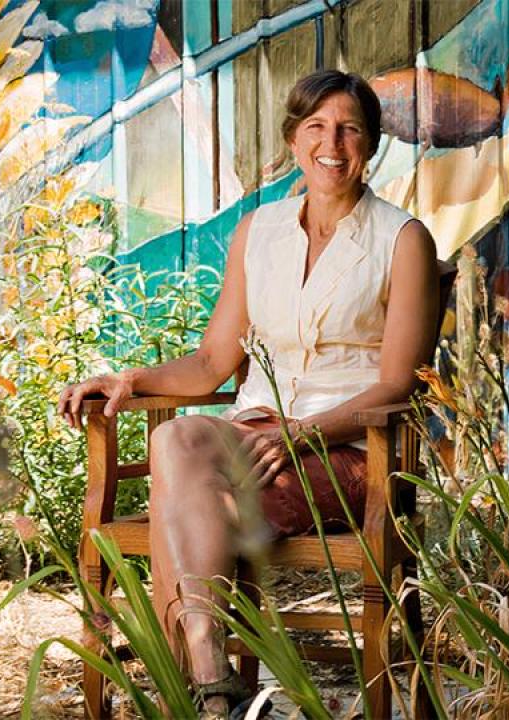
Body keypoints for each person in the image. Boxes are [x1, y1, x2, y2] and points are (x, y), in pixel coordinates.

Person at [57, 69, 439, 717]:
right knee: (177, 438)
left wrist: (303, 433)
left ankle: (206, 699)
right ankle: (213, 671)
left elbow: (399, 384)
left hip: (350, 449)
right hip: (253, 437)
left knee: (181, 503)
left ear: (371, 144)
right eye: (316, 127)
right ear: (294, 141)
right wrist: (129, 380)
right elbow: (211, 363)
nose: (332, 143)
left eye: (349, 129)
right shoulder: (257, 232)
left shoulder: (402, 240)